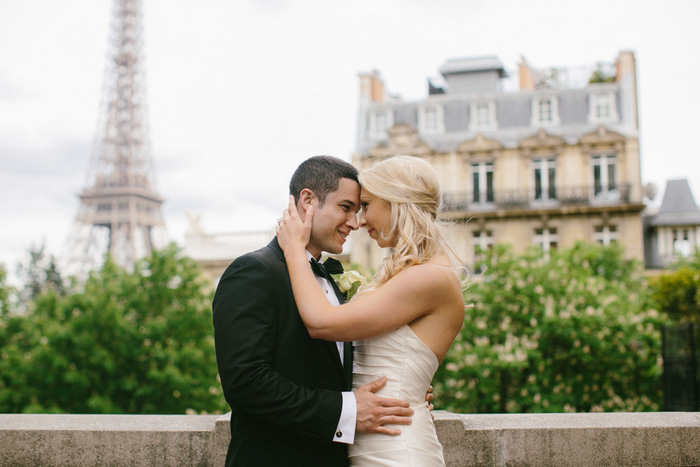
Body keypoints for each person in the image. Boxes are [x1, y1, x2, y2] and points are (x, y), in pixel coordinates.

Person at [212, 155, 417, 467]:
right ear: (307, 200)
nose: (356, 222)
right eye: (346, 207)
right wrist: (345, 411)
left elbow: (332, 372)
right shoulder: (253, 271)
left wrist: (402, 388)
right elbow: (246, 383)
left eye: (359, 209)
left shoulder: (328, 282)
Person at [276, 155, 466, 466]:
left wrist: (294, 250)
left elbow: (322, 323)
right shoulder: (412, 273)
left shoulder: (429, 277)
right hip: (376, 444)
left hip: (396, 451)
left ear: (396, 202)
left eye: (366, 205)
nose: (360, 221)